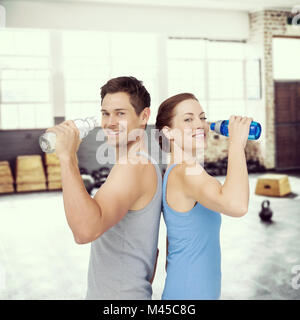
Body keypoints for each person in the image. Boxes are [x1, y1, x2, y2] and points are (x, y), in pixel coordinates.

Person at [46, 76, 162, 299]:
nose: (109, 122)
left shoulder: (133, 165)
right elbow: (151, 252)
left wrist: (67, 157)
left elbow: (84, 231)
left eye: (120, 113)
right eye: (105, 113)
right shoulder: (141, 163)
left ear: (144, 116)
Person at [155, 93, 251, 300]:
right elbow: (237, 205)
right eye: (188, 119)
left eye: (202, 117)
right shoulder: (185, 171)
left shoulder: (181, 172)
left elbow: (174, 242)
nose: (201, 125)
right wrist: (236, 144)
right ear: (168, 133)